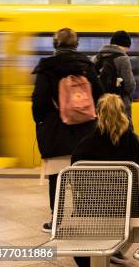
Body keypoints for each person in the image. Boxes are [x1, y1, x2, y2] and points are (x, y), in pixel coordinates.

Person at [71, 94, 139, 267]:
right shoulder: (136, 142)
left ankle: (107, 250)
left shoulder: (84, 144)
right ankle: (114, 248)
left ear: (98, 114)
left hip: (92, 209)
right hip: (131, 209)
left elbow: (76, 179)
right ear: (123, 113)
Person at [31, 28, 104, 233]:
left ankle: (56, 220)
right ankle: (87, 213)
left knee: (57, 175)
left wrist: (41, 122)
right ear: (76, 44)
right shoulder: (86, 66)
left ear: (56, 44)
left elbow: (39, 100)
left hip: (57, 128)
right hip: (85, 128)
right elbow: (100, 94)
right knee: (84, 172)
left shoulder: (47, 68)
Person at [93, 30, 136, 118]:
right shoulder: (123, 59)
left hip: (101, 105)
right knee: (124, 129)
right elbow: (130, 86)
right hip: (118, 106)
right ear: (126, 45)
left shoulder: (97, 57)